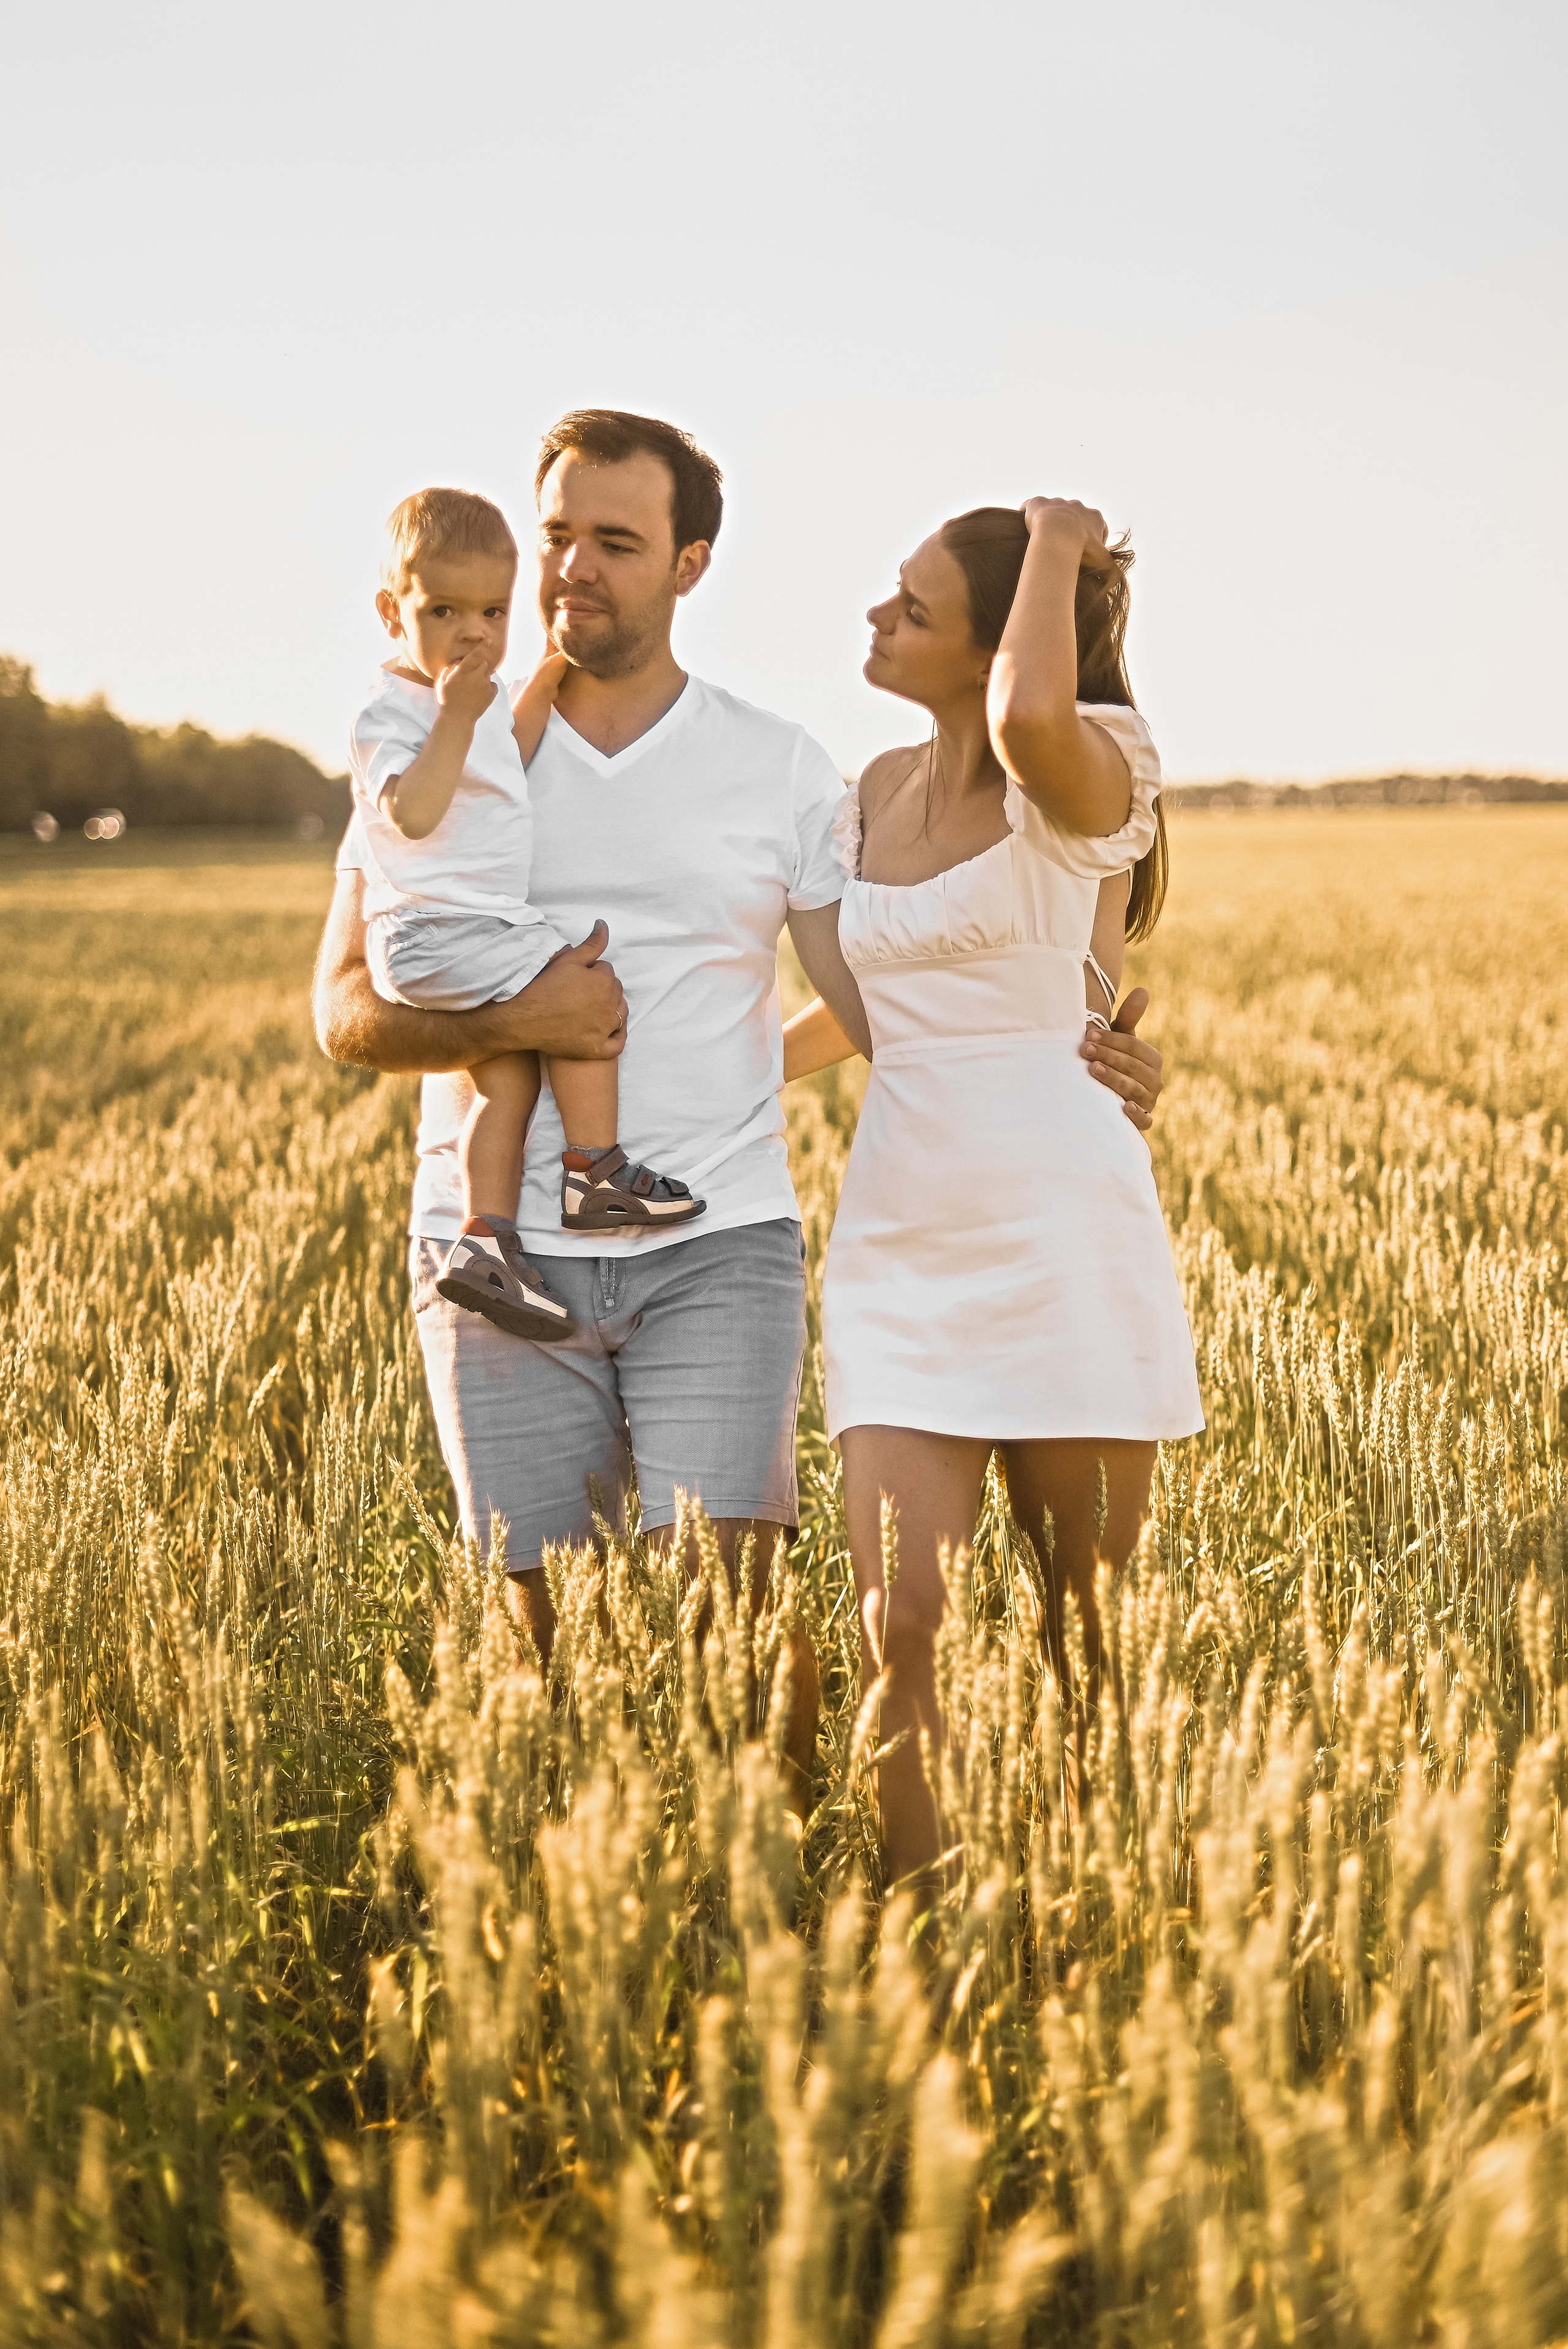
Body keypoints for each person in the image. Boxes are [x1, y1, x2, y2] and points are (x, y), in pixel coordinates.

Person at [787, 497, 1204, 1885]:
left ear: (992, 647)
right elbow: (874, 1010)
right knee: (897, 1624)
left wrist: (1054, 539)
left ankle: (1090, 1920)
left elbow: (1031, 718)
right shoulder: (864, 796)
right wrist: (694, 1081)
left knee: (1086, 1636)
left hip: (1062, 1240)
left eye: (909, 606)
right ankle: (927, 1928)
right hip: (899, 1246)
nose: (874, 619)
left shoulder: (1083, 770)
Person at [351, 486, 703, 1347]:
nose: (474, 631)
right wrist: (456, 716)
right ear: (393, 611)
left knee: (506, 1081)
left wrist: (543, 671)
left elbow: (511, 742)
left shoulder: (470, 706)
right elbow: (413, 812)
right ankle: (595, 1173)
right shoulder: (391, 712)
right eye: (443, 609)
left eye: (493, 610)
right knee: (584, 994)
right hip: (439, 929)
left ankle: (486, 1240)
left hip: (465, 931)